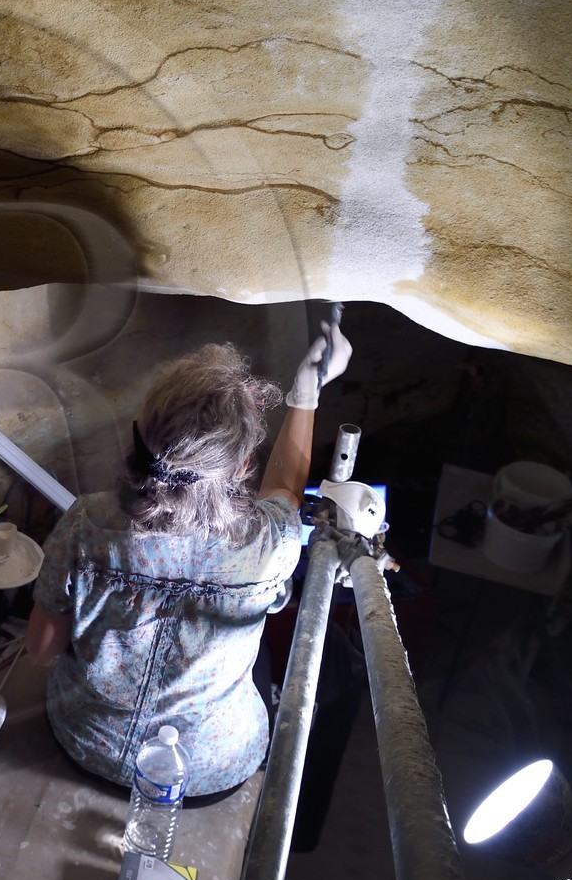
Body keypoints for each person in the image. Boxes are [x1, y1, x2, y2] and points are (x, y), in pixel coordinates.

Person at [26, 324, 351, 798]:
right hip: (203, 775)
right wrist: (307, 393)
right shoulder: (269, 544)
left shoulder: (87, 525)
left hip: (86, 746)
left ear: (141, 437)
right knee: (258, 661)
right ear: (241, 468)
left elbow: (40, 649)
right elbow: (285, 489)